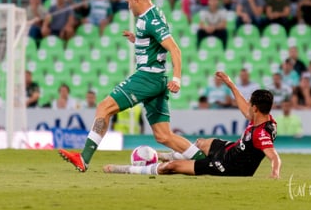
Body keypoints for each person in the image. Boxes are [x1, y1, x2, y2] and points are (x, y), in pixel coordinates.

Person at [59, 0, 205, 172]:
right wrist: (138, 40)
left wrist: (177, 79)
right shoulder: (153, 14)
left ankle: (83, 158)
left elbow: (175, 50)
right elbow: (156, 42)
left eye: (128, 2)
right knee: (163, 136)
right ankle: (203, 160)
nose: (128, 7)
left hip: (147, 78)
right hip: (157, 79)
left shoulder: (151, 20)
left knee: (104, 107)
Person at [104, 71, 281, 179]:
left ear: (256, 108)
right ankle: (163, 155)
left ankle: (125, 169)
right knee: (201, 143)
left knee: (172, 168)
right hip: (232, 150)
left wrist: (275, 173)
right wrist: (231, 85)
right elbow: (245, 110)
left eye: (250, 104)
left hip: (229, 166)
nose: (247, 106)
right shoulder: (264, 119)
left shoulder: (261, 134)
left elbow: (273, 156)